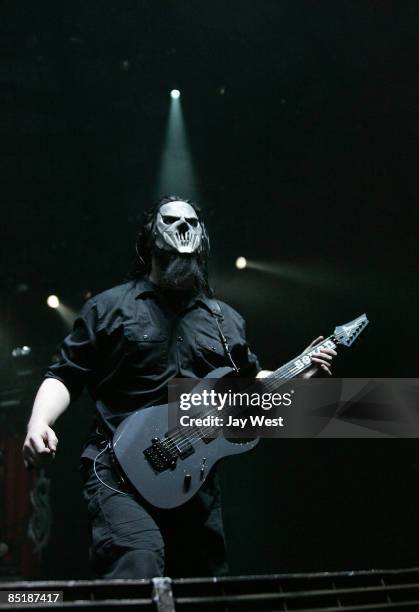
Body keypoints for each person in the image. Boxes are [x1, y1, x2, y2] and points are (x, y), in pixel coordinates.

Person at [22, 196, 336, 579]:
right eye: (172, 220)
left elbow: (248, 391)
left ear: (203, 238)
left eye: (192, 222)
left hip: (193, 481)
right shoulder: (109, 308)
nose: (184, 227)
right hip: (118, 472)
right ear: (150, 236)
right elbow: (65, 374)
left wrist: (296, 379)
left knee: (205, 588)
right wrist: (39, 423)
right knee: (138, 567)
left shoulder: (225, 321)